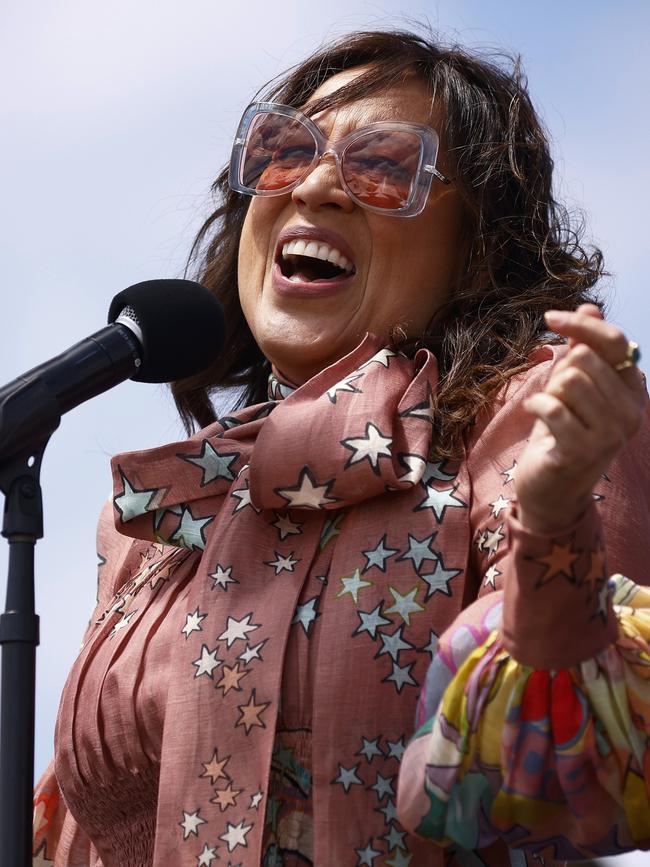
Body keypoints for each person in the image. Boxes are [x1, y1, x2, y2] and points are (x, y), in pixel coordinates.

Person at [32, 28, 650, 867]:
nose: (317, 185)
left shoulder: (537, 422)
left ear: (478, 253)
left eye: (385, 165)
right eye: (283, 151)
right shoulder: (156, 520)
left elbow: (580, 774)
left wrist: (551, 522)